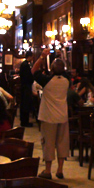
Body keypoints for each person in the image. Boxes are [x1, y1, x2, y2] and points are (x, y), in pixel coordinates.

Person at [32, 48, 69, 179]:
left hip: (48, 116)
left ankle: (48, 171)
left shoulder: (46, 81)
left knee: (48, 143)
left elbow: (34, 70)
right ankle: (60, 169)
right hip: (63, 116)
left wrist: (42, 56)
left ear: (52, 69)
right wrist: (61, 56)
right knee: (62, 142)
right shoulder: (66, 81)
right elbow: (65, 69)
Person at [19, 51, 34, 127]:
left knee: (25, 104)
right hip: (26, 87)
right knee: (26, 104)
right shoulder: (25, 65)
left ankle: (24, 121)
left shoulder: (24, 64)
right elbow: (28, 77)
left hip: (24, 86)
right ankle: (25, 122)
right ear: (30, 56)